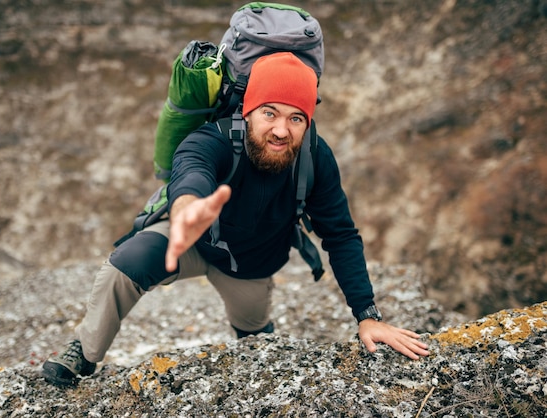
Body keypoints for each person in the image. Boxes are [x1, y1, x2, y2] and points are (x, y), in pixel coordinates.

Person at [42, 52, 430, 387]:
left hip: (251, 265)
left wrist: (367, 314)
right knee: (124, 266)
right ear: (248, 111)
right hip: (191, 239)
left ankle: (257, 336)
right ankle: (86, 349)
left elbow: (341, 235)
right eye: (270, 113)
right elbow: (191, 167)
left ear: (309, 122)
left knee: (255, 336)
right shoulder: (214, 139)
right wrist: (187, 209)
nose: (281, 130)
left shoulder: (316, 159)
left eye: (297, 118)